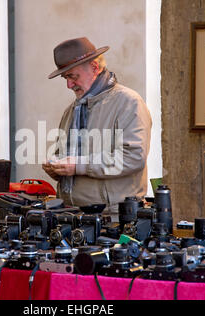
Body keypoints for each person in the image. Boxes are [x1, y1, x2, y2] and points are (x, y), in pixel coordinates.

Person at [42, 37, 152, 221]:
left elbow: (133, 157)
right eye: (65, 78)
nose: (69, 85)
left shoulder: (129, 102)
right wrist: (56, 168)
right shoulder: (71, 110)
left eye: (73, 76)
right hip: (72, 216)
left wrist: (78, 166)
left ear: (94, 67)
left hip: (114, 219)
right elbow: (68, 157)